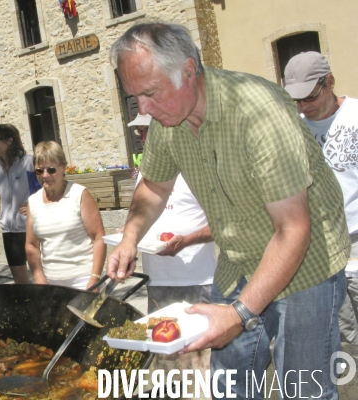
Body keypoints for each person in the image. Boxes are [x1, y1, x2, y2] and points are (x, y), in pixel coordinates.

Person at [107, 23, 350, 398]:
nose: (143, 109)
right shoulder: (166, 121)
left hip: (306, 262)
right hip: (239, 259)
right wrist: (129, 237)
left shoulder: (259, 112)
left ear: (189, 71)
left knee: (303, 389)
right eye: (134, 96)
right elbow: (155, 184)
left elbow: (293, 229)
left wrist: (238, 314)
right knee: (230, 385)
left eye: (151, 93)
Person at [284, 51, 358, 345]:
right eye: (297, 100)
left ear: (329, 82)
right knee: (343, 335)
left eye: (310, 97)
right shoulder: (295, 128)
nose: (303, 106)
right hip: (321, 250)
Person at [127, 114, 215, 313]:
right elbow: (142, 216)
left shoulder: (197, 168)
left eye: (147, 131)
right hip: (157, 280)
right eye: (139, 133)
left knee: (201, 342)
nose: (142, 139)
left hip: (197, 278)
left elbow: (223, 225)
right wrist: (129, 235)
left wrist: (187, 240)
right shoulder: (144, 174)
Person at [26, 141, 106, 290]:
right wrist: (39, 277)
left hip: (83, 280)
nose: (45, 175)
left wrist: (95, 279)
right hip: (50, 282)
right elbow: (31, 245)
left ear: (63, 167)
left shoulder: (79, 194)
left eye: (51, 170)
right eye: (39, 170)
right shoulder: (33, 201)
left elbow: (98, 238)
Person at [0, 124, 41, 284]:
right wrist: (8, 206)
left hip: (30, 227)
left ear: (10, 140)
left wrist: (32, 206)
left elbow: (46, 187)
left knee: (41, 276)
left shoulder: (29, 162)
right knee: (20, 281)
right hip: (8, 229)